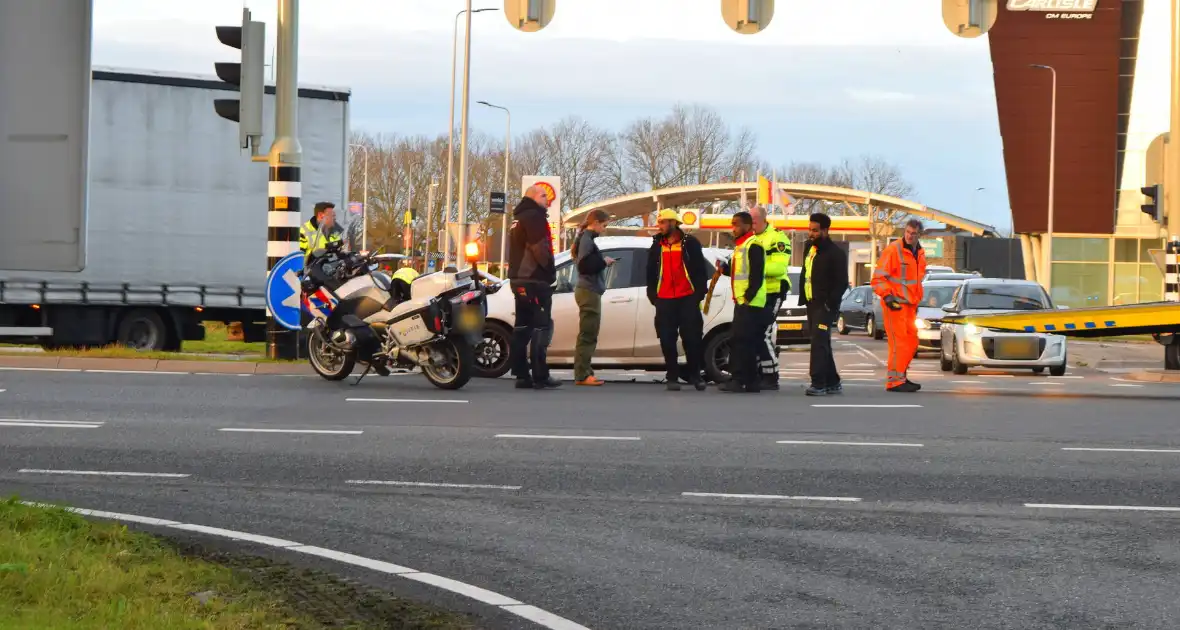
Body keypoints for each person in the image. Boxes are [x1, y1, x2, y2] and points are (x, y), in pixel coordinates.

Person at [645, 209, 709, 392]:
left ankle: (695, 376)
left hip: (687, 298)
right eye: (660, 223)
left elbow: (700, 270)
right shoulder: (657, 245)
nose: (660, 226)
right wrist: (653, 295)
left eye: (663, 222)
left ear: (673, 223)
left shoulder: (690, 243)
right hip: (664, 300)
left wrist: (698, 294)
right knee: (666, 339)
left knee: (692, 339)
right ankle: (672, 376)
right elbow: (650, 271)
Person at [507, 185, 561, 390]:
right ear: (532, 197)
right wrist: (549, 271)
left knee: (521, 327)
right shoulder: (535, 217)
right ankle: (540, 374)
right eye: (543, 195)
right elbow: (540, 248)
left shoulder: (519, 218)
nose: (548, 199)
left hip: (518, 279)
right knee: (541, 326)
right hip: (534, 280)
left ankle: (521, 373)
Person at [871, 218, 927, 393]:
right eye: (908, 232)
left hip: (909, 305)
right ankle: (894, 381)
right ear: (905, 231)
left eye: (914, 234)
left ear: (919, 234)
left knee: (912, 342)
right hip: (894, 304)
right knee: (899, 343)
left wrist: (915, 300)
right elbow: (877, 279)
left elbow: (915, 281)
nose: (910, 236)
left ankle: (900, 376)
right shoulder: (893, 250)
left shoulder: (920, 252)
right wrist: (887, 297)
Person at [798, 212, 848, 397]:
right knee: (821, 342)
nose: (811, 234)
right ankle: (832, 382)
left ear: (826, 231)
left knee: (818, 344)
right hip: (812, 304)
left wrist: (829, 304)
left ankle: (818, 383)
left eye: (815, 231)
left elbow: (842, 282)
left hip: (825, 306)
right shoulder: (809, 248)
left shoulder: (836, 253)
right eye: (810, 229)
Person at [719, 211, 766, 394]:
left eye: (736, 224)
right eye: (732, 224)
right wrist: (724, 269)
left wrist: (747, 297)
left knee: (741, 342)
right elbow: (737, 272)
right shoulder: (741, 247)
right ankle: (751, 382)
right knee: (746, 342)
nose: (733, 228)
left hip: (750, 303)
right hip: (744, 302)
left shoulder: (753, 245)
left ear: (747, 226)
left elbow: (756, 276)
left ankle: (738, 380)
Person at [571, 209, 615, 387]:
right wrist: (603, 262)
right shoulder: (587, 240)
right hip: (589, 291)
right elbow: (585, 266)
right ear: (595, 222)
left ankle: (585, 371)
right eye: (603, 225)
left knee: (588, 333)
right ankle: (582, 374)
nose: (604, 229)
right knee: (588, 334)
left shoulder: (584, 238)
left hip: (588, 290)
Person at [750, 205, 792, 390]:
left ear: (762, 219)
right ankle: (758, 373)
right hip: (756, 292)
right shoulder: (751, 237)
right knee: (754, 335)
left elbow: (779, 268)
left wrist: (755, 268)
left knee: (763, 334)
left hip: (773, 291)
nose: (751, 225)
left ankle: (771, 376)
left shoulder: (778, 238)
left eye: (753, 221)